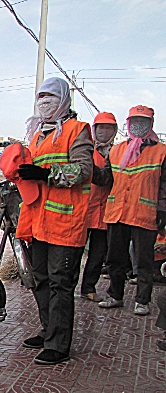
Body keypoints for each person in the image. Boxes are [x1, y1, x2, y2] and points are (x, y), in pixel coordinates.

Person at [16, 77, 94, 365]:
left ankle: (58, 344)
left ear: (62, 99)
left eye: (50, 96)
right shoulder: (37, 134)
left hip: (65, 222)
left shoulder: (77, 130)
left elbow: (84, 170)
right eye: (41, 96)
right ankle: (48, 330)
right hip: (38, 221)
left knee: (61, 283)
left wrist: (46, 174)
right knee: (41, 279)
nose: (44, 101)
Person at [97, 105, 166, 315]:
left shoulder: (161, 152)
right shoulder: (117, 150)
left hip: (145, 214)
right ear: (127, 124)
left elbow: (165, 185)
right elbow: (106, 178)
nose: (138, 125)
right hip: (117, 213)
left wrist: (163, 211)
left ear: (151, 124)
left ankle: (142, 300)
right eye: (134, 121)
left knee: (144, 261)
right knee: (115, 259)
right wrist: (89, 169)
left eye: (143, 122)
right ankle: (115, 295)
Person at [80, 112, 118, 302]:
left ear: (115, 130)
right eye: (100, 127)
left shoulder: (119, 152)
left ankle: (88, 288)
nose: (104, 131)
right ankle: (67, 287)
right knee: (75, 252)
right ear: (94, 130)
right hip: (85, 210)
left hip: (106, 213)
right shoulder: (86, 150)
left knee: (97, 255)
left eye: (108, 127)